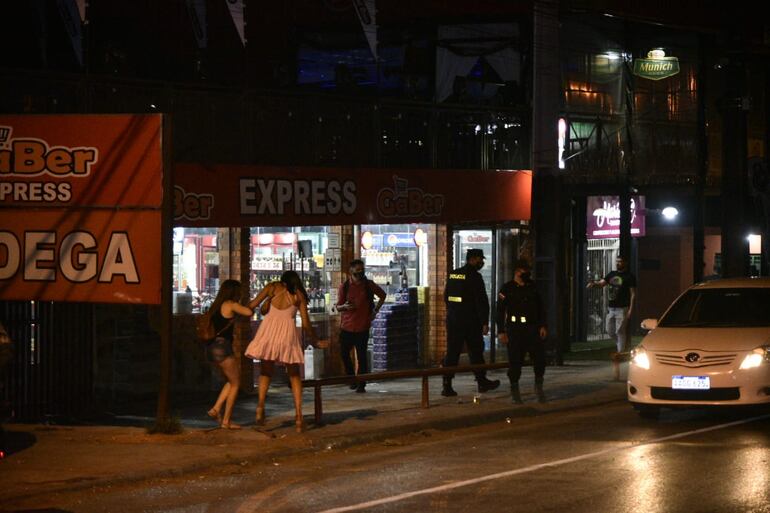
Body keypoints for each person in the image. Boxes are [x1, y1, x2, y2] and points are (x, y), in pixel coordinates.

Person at [245, 270, 329, 432]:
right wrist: (315, 340)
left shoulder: (271, 288)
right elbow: (305, 323)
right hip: (287, 335)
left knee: (265, 372)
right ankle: (298, 416)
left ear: (282, 279)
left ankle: (260, 407)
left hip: (267, 333)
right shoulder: (298, 296)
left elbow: (252, 306)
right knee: (294, 375)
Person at [442, 248, 500, 397]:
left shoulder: (454, 274)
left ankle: (447, 385)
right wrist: (484, 322)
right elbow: (481, 301)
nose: (481, 263)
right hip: (470, 321)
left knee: (452, 352)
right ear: (473, 259)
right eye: (480, 260)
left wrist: (453, 312)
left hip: (454, 320)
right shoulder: (475, 277)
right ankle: (482, 382)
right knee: (476, 351)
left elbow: (447, 296)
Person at [204, 279, 254, 429]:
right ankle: (226, 421)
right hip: (223, 347)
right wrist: (245, 301)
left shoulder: (216, 305)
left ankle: (215, 409)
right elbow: (249, 312)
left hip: (211, 347)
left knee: (231, 381)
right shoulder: (230, 304)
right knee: (236, 384)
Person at [497, 259, 548, 403]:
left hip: (532, 328)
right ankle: (515, 390)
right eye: (525, 270)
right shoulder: (507, 288)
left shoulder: (533, 287)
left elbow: (541, 308)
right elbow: (500, 311)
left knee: (539, 359)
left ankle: (539, 387)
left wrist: (543, 326)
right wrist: (501, 331)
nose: (528, 273)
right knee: (515, 362)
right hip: (515, 329)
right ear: (517, 271)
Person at [336, 259, 386, 393]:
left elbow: (383, 295)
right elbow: (338, 307)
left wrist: (375, 311)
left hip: (363, 326)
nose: (360, 272)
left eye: (362, 269)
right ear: (351, 271)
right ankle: (351, 378)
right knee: (344, 353)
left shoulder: (368, 285)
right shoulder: (344, 287)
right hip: (347, 326)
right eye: (357, 270)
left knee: (362, 356)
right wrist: (344, 307)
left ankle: (361, 384)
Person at [587, 255, 637, 353]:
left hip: (622, 308)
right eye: (617, 261)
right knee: (609, 331)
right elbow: (602, 283)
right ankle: (620, 345)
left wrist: (631, 309)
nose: (617, 263)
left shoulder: (629, 276)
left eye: (620, 261)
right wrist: (593, 284)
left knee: (620, 331)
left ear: (625, 263)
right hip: (611, 308)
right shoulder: (612, 274)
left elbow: (633, 294)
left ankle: (620, 353)